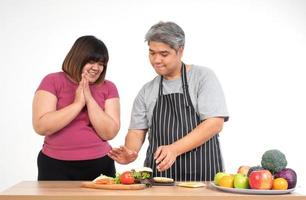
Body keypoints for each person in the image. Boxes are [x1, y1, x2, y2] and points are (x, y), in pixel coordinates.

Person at [108, 21, 229, 181]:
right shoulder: (147, 91)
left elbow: (214, 123)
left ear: (180, 51)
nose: (156, 60)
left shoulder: (202, 77)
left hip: (202, 176)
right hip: (159, 177)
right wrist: (131, 152)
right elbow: (137, 131)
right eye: (152, 53)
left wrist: (174, 149)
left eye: (164, 54)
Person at [32, 35, 120, 180]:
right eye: (91, 62)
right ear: (77, 58)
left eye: (101, 63)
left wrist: (89, 99)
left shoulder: (109, 87)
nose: (96, 68)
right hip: (55, 164)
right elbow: (41, 126)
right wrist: (78, 103)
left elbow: (109, 133)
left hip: (100, 163)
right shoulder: (52, 81)